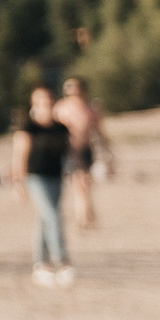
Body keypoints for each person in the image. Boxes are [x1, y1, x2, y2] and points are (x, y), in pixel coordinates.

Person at [11, 85, 75, 285]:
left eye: (48, 101)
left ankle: (41, 263)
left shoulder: (61, 128)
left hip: (56, 177)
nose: (45, 105)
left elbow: (68, 154)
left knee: (44, 219)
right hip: (35, 177)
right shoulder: (28, 127)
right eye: (41, 101)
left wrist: (77, 172)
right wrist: (18, 183)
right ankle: (62, 260)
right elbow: (20, 155)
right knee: (53, 216)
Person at [55, 77, 103, 231]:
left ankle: (87, 213)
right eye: (69, 87)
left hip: (86, 150)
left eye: (75, 87)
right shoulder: (60, 109)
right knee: (79, 183)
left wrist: (107, 151)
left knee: (85, 184)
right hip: (69, 151)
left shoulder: (91, 109)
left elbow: (99, 132)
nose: (73, 90)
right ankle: (83, 216)